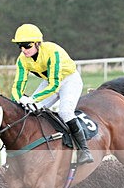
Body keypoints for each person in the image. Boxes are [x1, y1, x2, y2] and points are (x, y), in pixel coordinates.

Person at [9, 23, 93, 164]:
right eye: (20, 46)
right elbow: (17, 86)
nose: (23, 50)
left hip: (69, 80)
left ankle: (84, 150)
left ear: (37, 43)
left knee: (65, 112)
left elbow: (55, 85)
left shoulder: (52, 51)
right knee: (30, 110)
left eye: (27, 45)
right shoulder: (22, 60)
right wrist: (18, 100)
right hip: (49, 82)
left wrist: (33, 98)